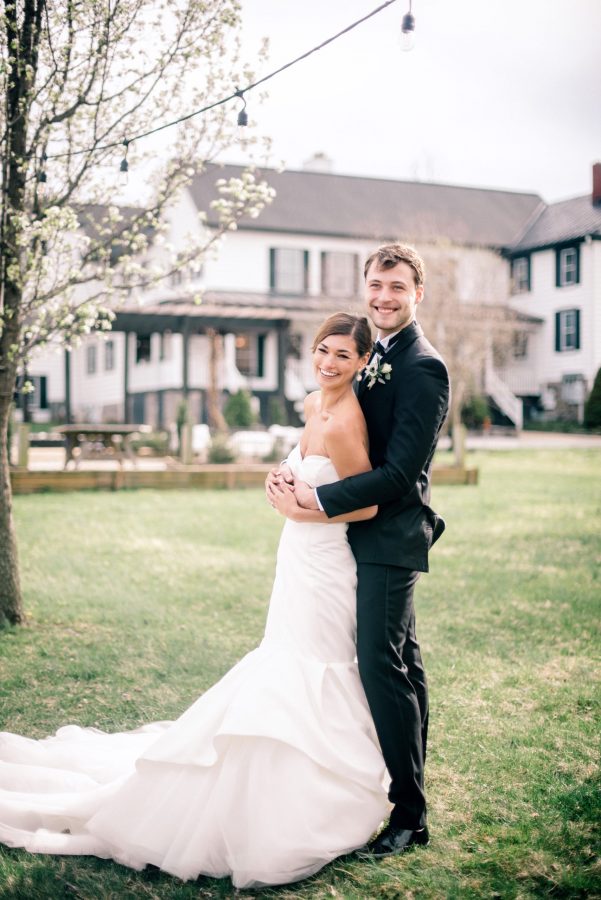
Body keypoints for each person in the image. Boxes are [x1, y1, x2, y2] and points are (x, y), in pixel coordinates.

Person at [0, 313, 393, 890]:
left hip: (329, 560)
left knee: (318, 664)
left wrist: (303, 507)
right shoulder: (313, 406)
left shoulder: (346, 423)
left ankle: (300, 792)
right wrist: (278, 480)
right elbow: (301, 470)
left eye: (342, 355)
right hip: (296, 556)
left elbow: (365, 505)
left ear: (362, 362)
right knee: (283, 656)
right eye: (322, 350)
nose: (329, 363)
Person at [268, 242, 449, 858]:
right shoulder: (375, 355)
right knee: (405, 665)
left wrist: (314, 501)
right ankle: (413, 793)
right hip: (351, 539)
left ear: (417, 293)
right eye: (376, 285)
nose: (383, 297)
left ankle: (409, 814)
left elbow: (399, 474)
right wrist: (297, 471)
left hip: (389, 537)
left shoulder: (424, 366)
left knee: (381, 665)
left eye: (397, 288)